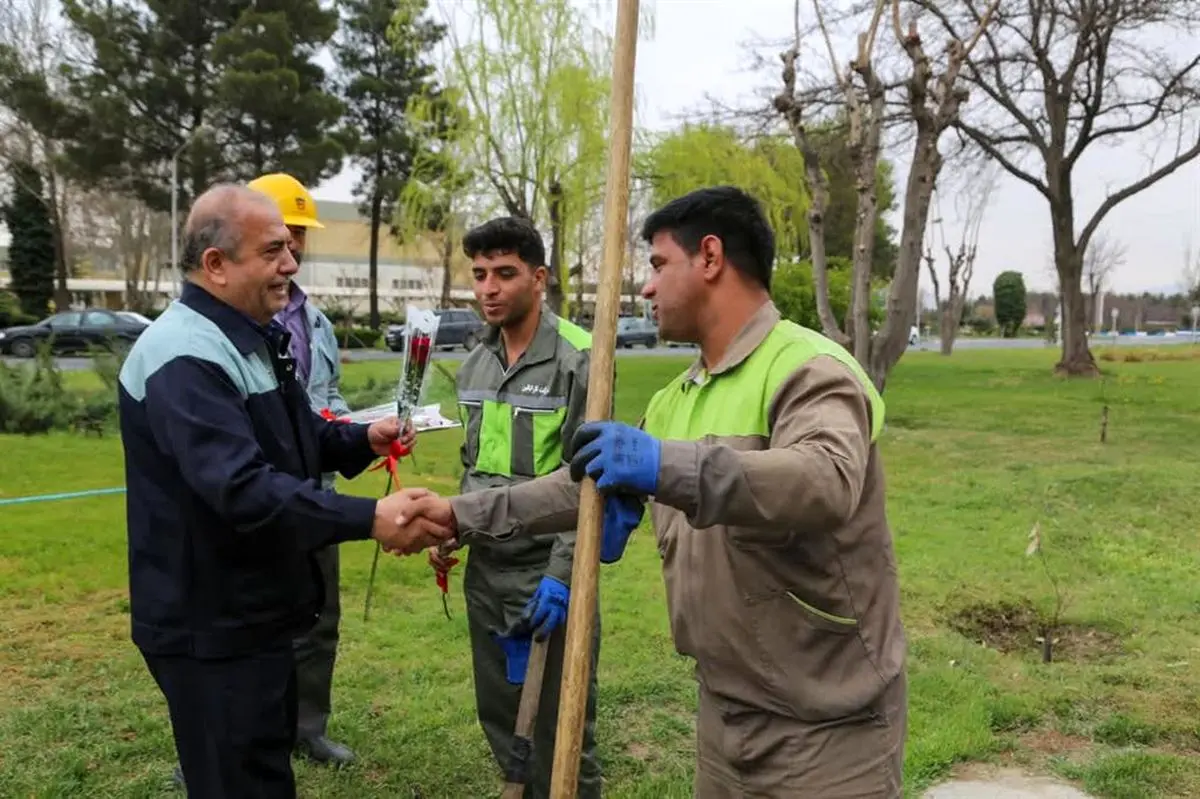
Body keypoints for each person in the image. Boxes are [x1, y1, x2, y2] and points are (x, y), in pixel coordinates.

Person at [401, 186, 908, 797]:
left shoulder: (809, 369)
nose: (646, 288)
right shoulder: (676, 400)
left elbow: (823, 480)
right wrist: (459, 514)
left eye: (659, 264)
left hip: (830, 721)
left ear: (711, 258)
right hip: (724, 710)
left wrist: (667, 466)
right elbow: (575, 491)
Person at [118, 183, 451, 799]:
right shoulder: (183, 356)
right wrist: (370, 517)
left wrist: (360, 440)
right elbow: (241, 488)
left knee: (263, 772)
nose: (291, 265)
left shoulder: (248, 337)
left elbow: (296, 439)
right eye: (273, 251)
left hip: (254, 613)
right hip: (211, 626)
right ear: (216, 265)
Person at [427, 216, 604, 798]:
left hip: (547, 580)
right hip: (488, 576)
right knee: (502, 714)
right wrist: (454, 528)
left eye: (504, 273)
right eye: (479, 275)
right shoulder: (475, 362)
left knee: (563, 727)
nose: (488, 289)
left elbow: (590, 484)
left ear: (539, 278)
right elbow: (476, 465)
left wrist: (562, 577)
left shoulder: (582, 359)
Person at [247, 171, 367, 766]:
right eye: (279, 238)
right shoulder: (225, 328)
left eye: (298, 237)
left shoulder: (313, 322)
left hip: (315, 494)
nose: (291, 251)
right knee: (249, 627)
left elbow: (330, 398)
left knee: (319, 617)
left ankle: (307, 726)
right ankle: (228, 740)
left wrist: (362, 431)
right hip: (254, 502)